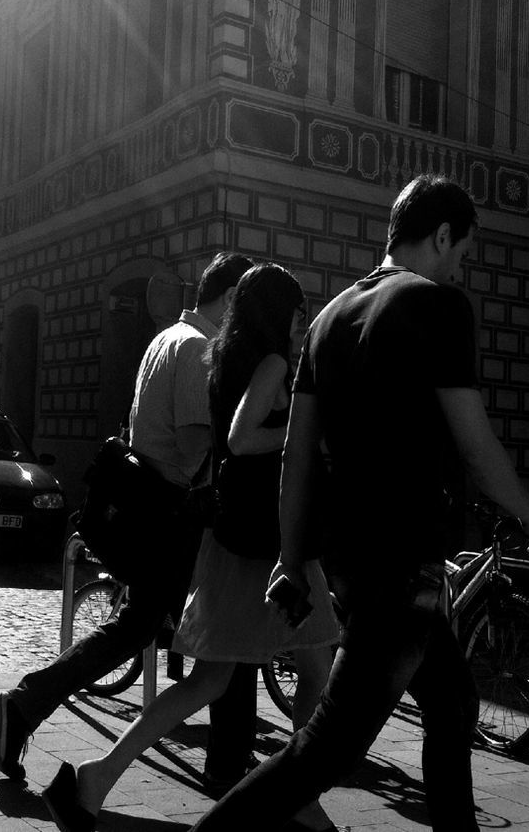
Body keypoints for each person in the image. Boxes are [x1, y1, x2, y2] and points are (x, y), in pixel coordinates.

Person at [191, 175, 529, 832]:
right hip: (403, 563)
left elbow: (296, 458)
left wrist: (294, 557)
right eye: (462, 253)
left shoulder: (329, 318)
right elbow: (475, 445)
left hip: (353, 562)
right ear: (441, 236)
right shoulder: (438, 307)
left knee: (451, 703)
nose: (460, 268)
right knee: (326, 747)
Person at [42, 263, 340, 831]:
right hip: (268, 549)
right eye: (299, 313)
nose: (303, 324)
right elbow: (241, 436)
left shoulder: (229, 359)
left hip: (241, 541)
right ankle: (300, 797)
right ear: (279, 314)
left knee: (220, 679)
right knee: (314, 672)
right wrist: (304, 431)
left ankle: (97, 778)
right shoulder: (274, 363)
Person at [0, 251, 257, 790]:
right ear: (227, 301)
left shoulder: (166, 338)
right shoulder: (199, 348)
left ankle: (23, 706)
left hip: (152, 512)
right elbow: (194, 445)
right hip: (174, 518)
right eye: (243, 309)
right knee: (230, 636)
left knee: (144, 631)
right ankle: (228, 769)